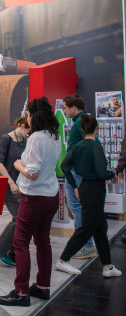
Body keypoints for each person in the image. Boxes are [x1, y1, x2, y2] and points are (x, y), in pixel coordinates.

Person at [0, 97, 61, 307]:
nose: (26, 117)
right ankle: (43, 286)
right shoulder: (54, 136)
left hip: (33, 197)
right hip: (51, 195)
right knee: (43, 242)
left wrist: (17, 165)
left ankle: (21, 291)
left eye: (28, 114)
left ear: (33, 116)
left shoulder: (36, 139)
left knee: (20, 243)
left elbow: (32, 173)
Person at [55, 115, 121, 278]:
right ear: (96, 128)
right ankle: (63, 260)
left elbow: (65, 166)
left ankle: (108, 266)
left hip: (84, 188)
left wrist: (75, 186)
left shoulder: (77, 147)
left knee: (100, 228)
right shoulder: (95, 146)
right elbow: (100, 172)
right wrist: (112, 174)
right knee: (87, 227)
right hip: (95, 190)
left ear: (83, 129)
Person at [62, 94, 96, 259]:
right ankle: (87, 242)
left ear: (73, 107)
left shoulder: (78, 124)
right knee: (80, 208)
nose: (64, 110)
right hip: (81, 171)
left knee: (77, 208)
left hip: (76, 172)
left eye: (66, 107)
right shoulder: (85, 120)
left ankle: (86, 244)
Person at [0, 116, 29, 266]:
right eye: (27, 129)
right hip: (7, 185)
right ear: (21, 125)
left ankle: (14, 252)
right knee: (18, 217)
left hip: (20, 185)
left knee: (23, 219)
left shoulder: (25, 142)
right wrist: (11, 182)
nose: (29, 132)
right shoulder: (6, 139)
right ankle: (1, 248)